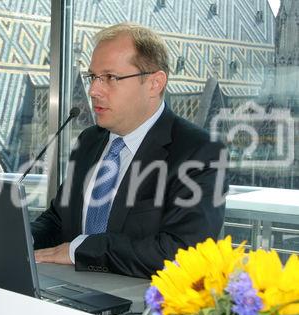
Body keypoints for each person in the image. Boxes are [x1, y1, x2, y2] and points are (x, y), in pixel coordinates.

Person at [31, 23, 228, 279]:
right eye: (93, 77)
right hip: (66, 293)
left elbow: (184, 252)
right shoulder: (89, 141)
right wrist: (20, 237)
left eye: (110, 78)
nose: (93, 90)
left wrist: (80, 250)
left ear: (155, 84)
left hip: (138, 308)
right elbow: (59, 220)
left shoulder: (199, 152)